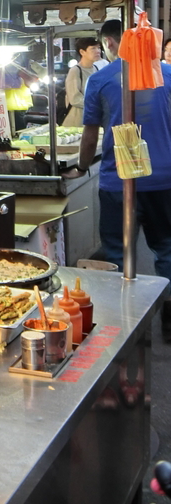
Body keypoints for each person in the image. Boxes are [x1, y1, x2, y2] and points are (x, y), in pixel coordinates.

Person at [68, 19, 171, 333]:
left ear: (114, 44)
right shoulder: (168, 74)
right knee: (167, 248)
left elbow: (89, 136)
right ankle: (169, 315)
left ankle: (119, 322)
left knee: (116, 252)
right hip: (164, 180)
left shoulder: (101, 79)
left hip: (117, 181)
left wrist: (83, 167)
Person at [61, 37, 101, 127]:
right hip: (77, 120)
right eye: (93, 48)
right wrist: (96, 105)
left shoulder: (96, 69)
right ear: (82, 52)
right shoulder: (75, 70)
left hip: (92, 117)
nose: (97, 51)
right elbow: (74, 98)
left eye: (98, 48)